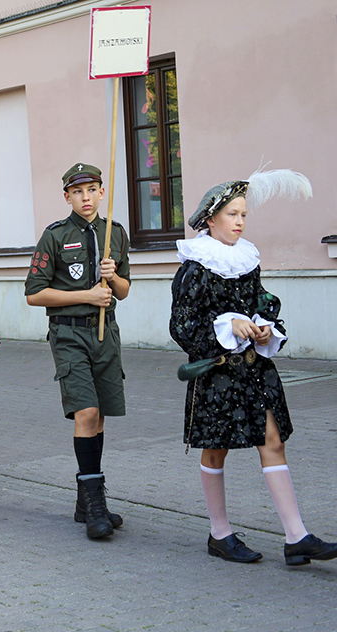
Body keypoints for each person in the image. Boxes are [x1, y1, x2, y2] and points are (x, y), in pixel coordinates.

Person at [170, 169, 337, 566]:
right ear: (211, 219)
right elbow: (181, 325)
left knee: (273, 440)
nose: (240, 221)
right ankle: (220, 533)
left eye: (244, 214)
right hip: (217, 371)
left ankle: (296, 537)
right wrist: (227, 325)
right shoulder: (196, 265)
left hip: (254, 368)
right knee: (216, 450)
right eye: (232, 214)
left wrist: (263, 326)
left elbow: (262, 301)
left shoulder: (247, 257)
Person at [24, 163, 130, 540]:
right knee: (85, 412)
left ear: (102, 193)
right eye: (78, 192)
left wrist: (112, 274)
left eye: (92, 190)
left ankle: (86, 500)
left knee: (99, 416)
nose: (86, 198)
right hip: (69, 335)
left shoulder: (114, 232)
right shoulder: (55, 236)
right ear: (67, 196)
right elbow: (34, 293)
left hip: (105, 335)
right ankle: (96, 506)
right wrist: (85, 295)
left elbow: (123, 290)